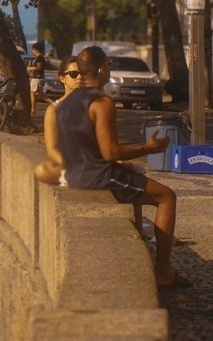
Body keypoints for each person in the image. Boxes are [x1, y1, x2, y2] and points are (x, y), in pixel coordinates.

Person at [56, 46, 187, 288]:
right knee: (167, 197)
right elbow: (110, 152)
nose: (109, 69)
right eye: (109, 65)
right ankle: (163, 272)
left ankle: (144, 253)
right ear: (101, 69)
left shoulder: (66, 103)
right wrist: (148, 148)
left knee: (135, 176)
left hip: (76, 173)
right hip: (97, 176)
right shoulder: (102, 102)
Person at [34, 56, 81, 185]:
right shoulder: (54, 110)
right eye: (73, 74)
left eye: (83, 73)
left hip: (94, 164)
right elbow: (52, 150)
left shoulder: (93, 105)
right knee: (43, 170)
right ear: (62, 78)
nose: (79, 77)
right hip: (70, 164)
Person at [27, 42, 47, 115]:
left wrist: (30, 68)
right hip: (39, 78)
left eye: (33, 50)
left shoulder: (39, 58)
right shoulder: (40, 58)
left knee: (32, 93)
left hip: (36, 78)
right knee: (41, 95)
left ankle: (33, 110)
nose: (33, 52)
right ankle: (55, 103)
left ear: (37, 50)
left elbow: (39, 67)